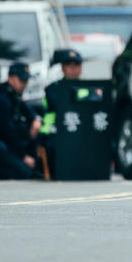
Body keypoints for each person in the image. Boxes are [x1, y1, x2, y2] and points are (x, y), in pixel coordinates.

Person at [0, 62, 44, 179]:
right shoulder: (1, 97)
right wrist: (23, 156)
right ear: (10, 78)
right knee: (25, 173)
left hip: (13, 145)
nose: (25, 84)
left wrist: (35, 119)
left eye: (26, 80)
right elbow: (8, 131)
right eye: (22, 80)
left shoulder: (13, 94)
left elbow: (27, 110)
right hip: (2, 146)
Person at [37, 48, 85, 178]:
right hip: (56, 131)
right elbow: (56, 104)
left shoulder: (87, 88)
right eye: (69, 65)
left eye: (76, 65)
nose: (73, 69)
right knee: (53, 146)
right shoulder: (53, 88)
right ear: (63, 68)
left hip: (82, 131)